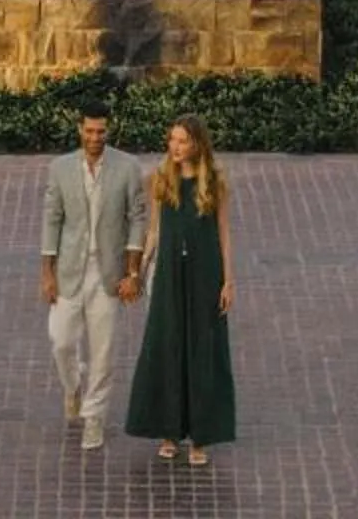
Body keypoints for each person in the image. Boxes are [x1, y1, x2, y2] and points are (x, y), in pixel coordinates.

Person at [123, 114, 237, 467]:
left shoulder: (214, 182)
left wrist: (229, 280)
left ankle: (201, 437)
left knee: (203, 350)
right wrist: (138, 271)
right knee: (167, 346)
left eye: (182, 140)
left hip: (205, 275)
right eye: (171, 139)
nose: (175, 147)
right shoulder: (160, 179)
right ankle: (169, 432)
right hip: (170, 275)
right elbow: (154, 231)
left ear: (197, 144)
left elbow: (223, 233)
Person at [39, 103, 147, 452]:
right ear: (79, 130)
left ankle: (95, 417)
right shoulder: (60, 169)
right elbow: (52, 219)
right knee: (61, 341)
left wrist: (133, 271)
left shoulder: (128, 168)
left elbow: (138, 218)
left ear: (109, 131)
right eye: (89, 131)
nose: (95, 137)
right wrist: (47, 273)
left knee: (102, 351)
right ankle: (72, 386)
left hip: (108, 274)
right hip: (70, 271)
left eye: (101, 131)